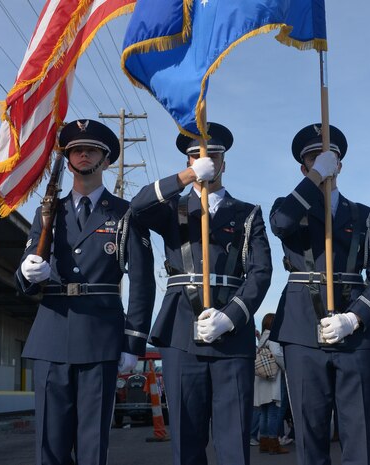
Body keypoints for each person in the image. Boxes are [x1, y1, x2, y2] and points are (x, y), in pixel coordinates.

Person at [130, 122, 273, 465]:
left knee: (233, 441)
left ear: (224, 163)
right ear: (188, 161)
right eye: (195, 156)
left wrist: (232, 317)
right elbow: (136, 206)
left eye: (211, 156)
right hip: (181, 330)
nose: (204, 162)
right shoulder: (171, 209)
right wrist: (184, 178)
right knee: (187, 438)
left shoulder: (247, 213)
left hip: (231, 332)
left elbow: (261, 272)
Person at [16, 119, 155, 465]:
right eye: (76, 150)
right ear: (67, 158)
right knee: (50, 444)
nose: (82, 155)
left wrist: (133, 341)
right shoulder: (48, 212)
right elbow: (25, 279)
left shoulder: (125, 214)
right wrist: (28, 271)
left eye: (91, 149)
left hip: (100, 337)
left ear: (106, 160)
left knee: (92, 445)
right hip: (52, 334)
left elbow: (142, 281)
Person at [269, 123, 370, 465]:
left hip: (354, 329)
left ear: (340, 164)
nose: (323, 162)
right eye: (315, 157)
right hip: (302, 327)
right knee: (310, 433)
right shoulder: (288, 206)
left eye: (330, 157)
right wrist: (313, 181)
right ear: (303, 167)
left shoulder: (364, 215)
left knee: (357, 432)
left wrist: (355, 317)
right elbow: (280, 224)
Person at [253, 313, 289, 455]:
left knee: (264, 413)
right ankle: (274, 443)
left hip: (262, 379)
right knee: (274, 412)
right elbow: (277, 354)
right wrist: (287, 367)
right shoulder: (273, 337)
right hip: (273, 379)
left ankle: (264, 441)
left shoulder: (262, 337)